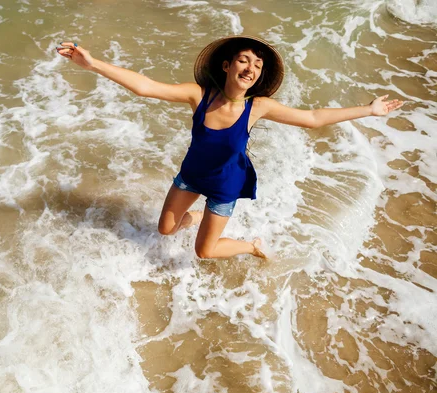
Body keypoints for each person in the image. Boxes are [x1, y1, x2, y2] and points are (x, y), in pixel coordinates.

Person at [56, 36, 403, 260]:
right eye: (243, 60)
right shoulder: (199, 95)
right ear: (226, 65)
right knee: (165, 228)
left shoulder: (259, 107)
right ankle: (194, 217)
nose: (250, 68)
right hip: (191, 177)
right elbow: (145, 87)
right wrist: (92, 63)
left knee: (204, 252)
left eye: (257, 65)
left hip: (225, 186)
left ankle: (251, 245)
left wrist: (369, 110)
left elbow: (312, 117)